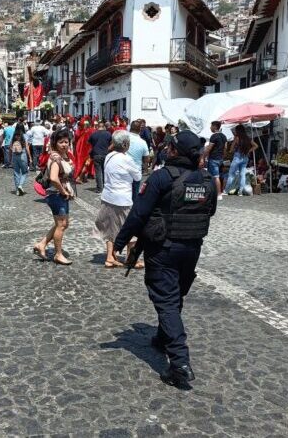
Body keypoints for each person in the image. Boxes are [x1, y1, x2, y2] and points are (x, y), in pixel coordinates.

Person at [114, 130, 217, 388]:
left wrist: (119, 242)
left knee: (167, 301)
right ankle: (162, 337)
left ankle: (180, 363)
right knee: (175, 295)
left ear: (174, 151)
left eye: (170, 146)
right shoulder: (206, 179)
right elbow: (211, 210)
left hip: (163, 249)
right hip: (192, 248)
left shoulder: (161, 177)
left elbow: (139, 213)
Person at [95, 130, 142, 268]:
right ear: (125, 144)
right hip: (122, 198)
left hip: (108, 196)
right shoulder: (127, 159)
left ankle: (110, 257)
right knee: (131, 228)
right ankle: (130, 258)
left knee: (110, 227)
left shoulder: (109, 156)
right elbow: (138, 177)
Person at [33, 129, 74, 265]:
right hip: (56, 194)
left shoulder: (64, 155)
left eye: (66, 142)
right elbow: (54, 178)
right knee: (61, 225)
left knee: (63, 224)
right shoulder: (56, 158)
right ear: (55, 143)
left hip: (59, 194)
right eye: (61, 142)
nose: (64, 144)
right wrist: (63, 191)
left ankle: (42, 244)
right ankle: (58, 254)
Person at [225, 124, 257, 196]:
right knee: (242, 175)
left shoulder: (237, 138)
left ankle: (226, 191)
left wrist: (232, 150)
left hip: (237, 157)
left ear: (238, 131)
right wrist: (249, 150)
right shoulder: (247, 138)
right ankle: (240, 192)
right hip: (245, 158)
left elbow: (231, 149)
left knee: (231, 175)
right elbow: (256, 146)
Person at [202, 121, 227, 200]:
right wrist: (223, 156)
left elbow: (209, 148)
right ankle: (214, 192)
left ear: (215, 127)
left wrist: (203, 157)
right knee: (218, 176)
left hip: (214, 158)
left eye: (211, 126)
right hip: (220, 159)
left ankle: (218, 194)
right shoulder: (224, 136)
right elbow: (225, 148)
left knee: (215, 177)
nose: (210, 128)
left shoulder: (214, 136)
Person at [128, 120, 151, 201]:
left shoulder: (124, 137)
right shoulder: (143, 142)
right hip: (136, 171)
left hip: (122, 170)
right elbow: (147, 159)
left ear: (130, 128)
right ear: (140, 130)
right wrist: (146, 169)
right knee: (134, 195)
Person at [89, 122, 112, 192]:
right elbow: (112, 143)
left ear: (97, 127)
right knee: (105, 171)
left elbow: (90, 144)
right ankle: (105, 186)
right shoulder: (108, 134)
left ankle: (99, 188)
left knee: (98, 172)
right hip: (105, 154)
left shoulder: (93, 134)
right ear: (104, 127)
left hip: (96, 154)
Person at [11, 124, 29, 196]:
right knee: (25, 172)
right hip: (23, 155)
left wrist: (10, 157)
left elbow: (10, 146)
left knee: (16, 173)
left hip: (14, 155)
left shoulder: (14, 136)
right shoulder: (24, 136)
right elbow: (27, 147)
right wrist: (30, 157)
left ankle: (17, 191)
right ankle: (20, 186)